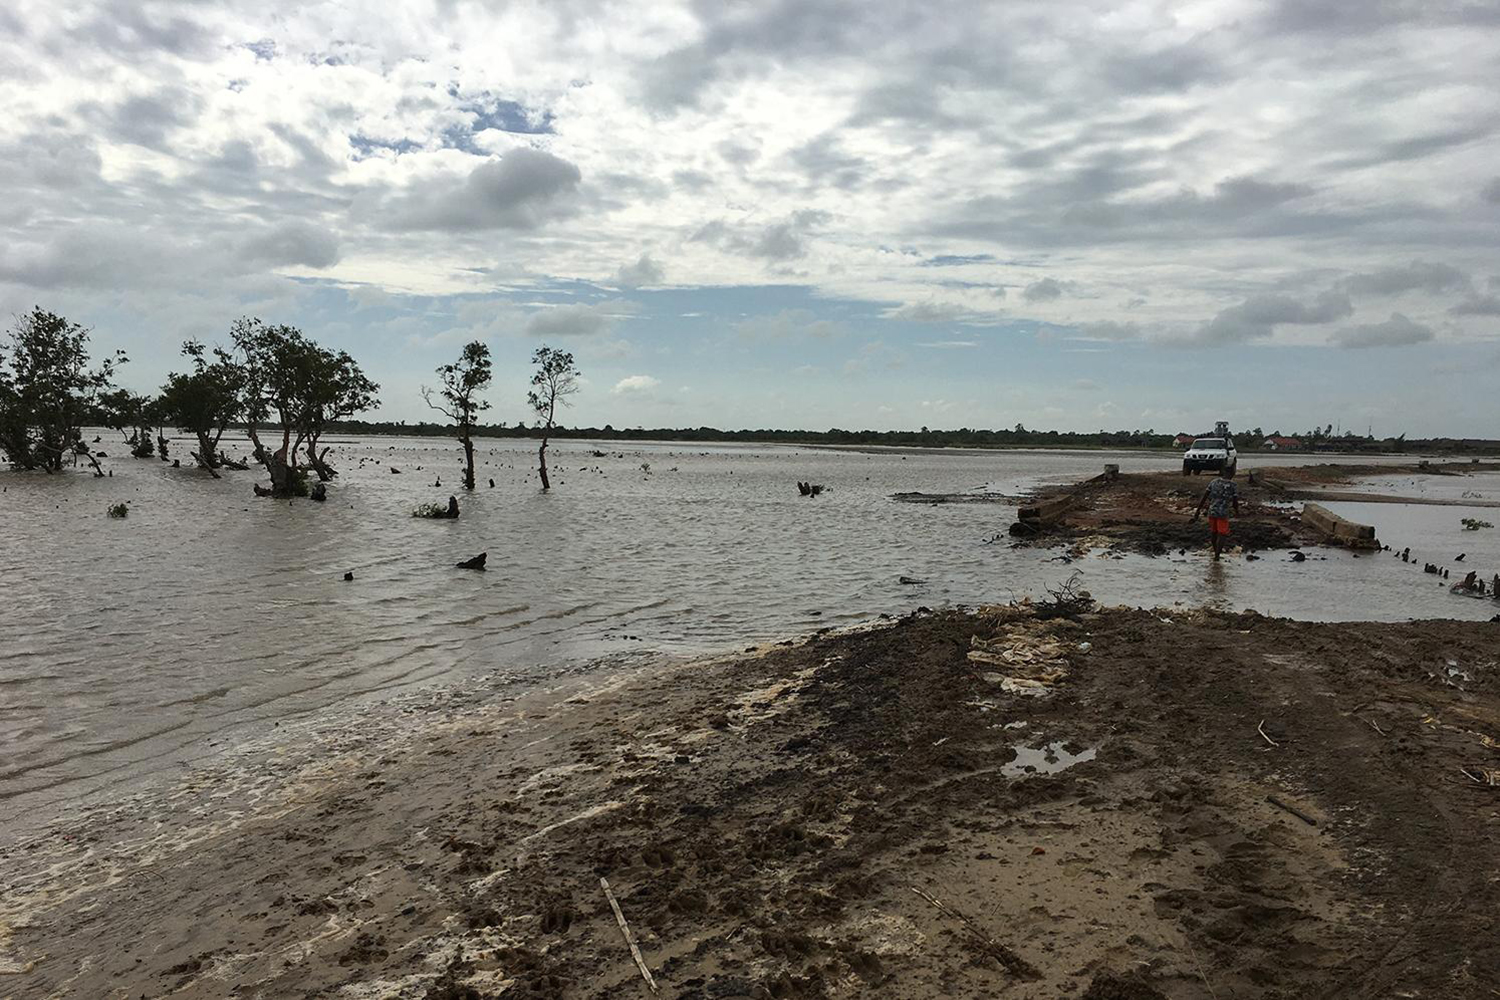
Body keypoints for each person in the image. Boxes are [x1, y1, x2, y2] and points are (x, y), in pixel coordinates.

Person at [1192, 467, 1240, 560]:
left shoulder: (1213, 482)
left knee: (1214, 532)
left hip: (1212, 511)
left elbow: (1205, 497)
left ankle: (1215, 552)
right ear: (1232, 473)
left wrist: (1198, 510)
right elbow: (1235, 501)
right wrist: (1237, 511)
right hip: (1223, 512)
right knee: (1222, 534)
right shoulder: (1233, 485)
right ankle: (1217, 556)